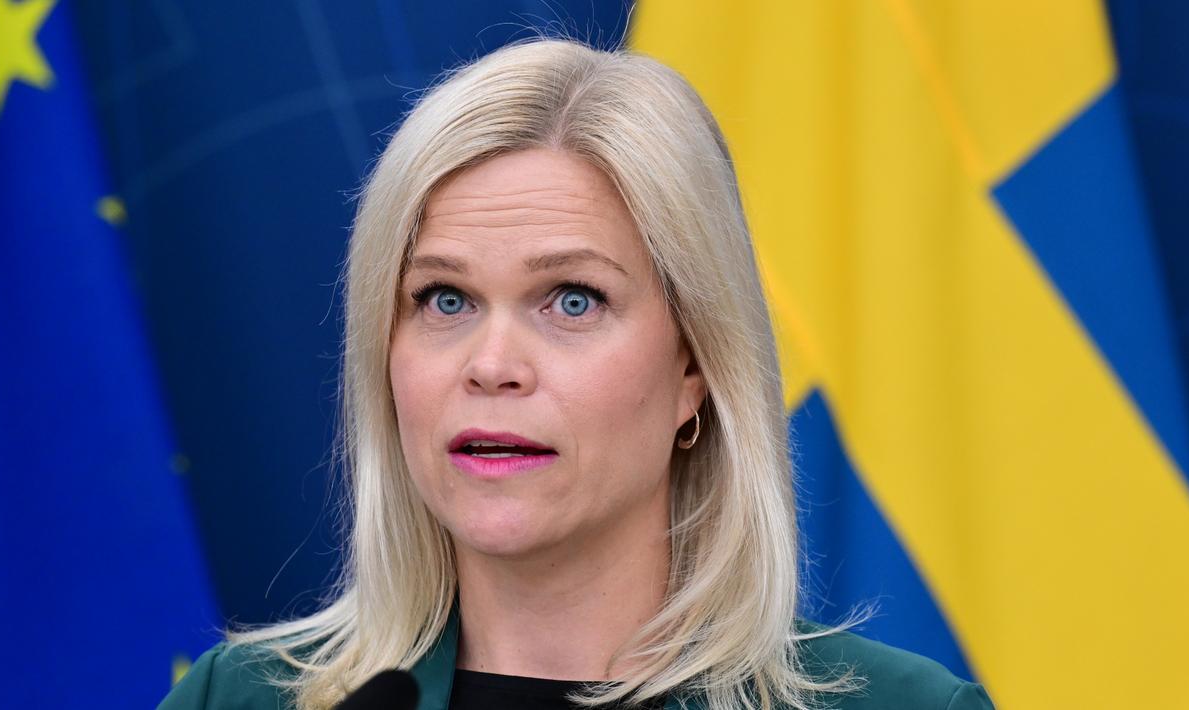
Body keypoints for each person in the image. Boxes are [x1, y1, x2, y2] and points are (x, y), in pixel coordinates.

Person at [159, 38, 996, 710]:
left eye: (571, 300)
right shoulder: (240, 699)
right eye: (445, 299)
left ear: (695, 366)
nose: (492, 366)